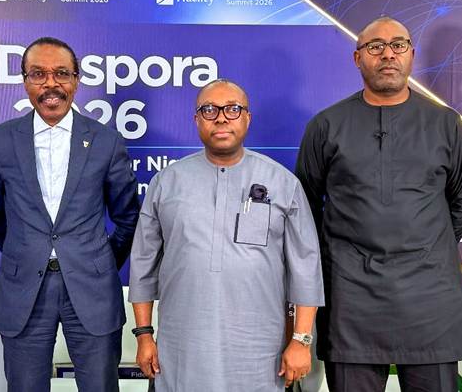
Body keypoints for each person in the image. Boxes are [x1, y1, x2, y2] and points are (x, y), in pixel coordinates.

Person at [295, 17, 462, 392]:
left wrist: (423, 244)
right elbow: (305, 209)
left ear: (411, 55)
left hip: (430, 295)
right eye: (375, 47)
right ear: (357, 58)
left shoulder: (446, 123)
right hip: (351, 297)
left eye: (398, 45)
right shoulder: (326, 126)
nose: (388, 55)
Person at [128, 79, 324, 391]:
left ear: (247, 118)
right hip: (181, 348)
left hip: (259, 351)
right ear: (196, 119)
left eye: (232, 109)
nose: (221, 118)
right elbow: (143, 263)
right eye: (209, 110)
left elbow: (306, 267)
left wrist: (301, 340)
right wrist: (144, 335)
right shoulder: (166, 182)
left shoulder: (282, 183)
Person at [0, 36, 139, 392]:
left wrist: (97, 260)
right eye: (39, 74)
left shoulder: (106, 141)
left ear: (76, 80)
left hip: (93, 288)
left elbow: (129, 217)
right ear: (25, 81)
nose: (51, 84)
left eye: (61, 73)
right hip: (24, 290)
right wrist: (27, 252)